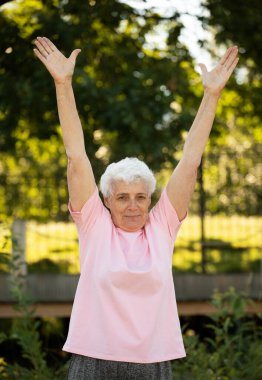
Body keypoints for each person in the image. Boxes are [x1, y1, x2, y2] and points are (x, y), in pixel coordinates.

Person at [33, 37, 238, 380]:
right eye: (122, 197)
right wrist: (63, 84)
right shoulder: (95, 226)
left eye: (140, 197)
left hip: (152, 362)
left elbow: (190, 162)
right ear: (107, 201)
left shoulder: (161, 228)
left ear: (151, 201)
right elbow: (76, 158)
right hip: (93, 360)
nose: (132, 206)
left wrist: (211, 95)